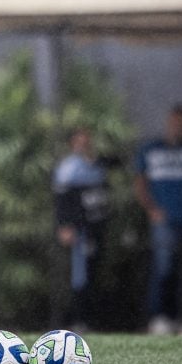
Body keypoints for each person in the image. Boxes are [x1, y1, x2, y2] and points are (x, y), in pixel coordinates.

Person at [135, 103, 182, 335]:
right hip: (164, 220)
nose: (179, 127)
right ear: (168, 123)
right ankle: (160, 317)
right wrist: (151, 209)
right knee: (164, 267)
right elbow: (140, 183)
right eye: (175, 123)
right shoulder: (152, 149)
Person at [52, 128, 111, 330]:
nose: (83, 145)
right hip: (80, 229)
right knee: (80, 275)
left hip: (98, 227)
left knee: (97, 272)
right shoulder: (69, 167)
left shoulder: (97, 164)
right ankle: (78, 320)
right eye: (79, 142)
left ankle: (94, 319)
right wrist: (64, 225)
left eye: (86, 141)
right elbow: (62, 198)